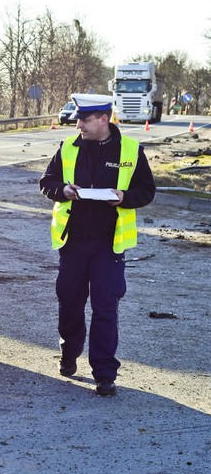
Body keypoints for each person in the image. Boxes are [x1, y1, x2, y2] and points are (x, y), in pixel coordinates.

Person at [39, 93, 155, 396]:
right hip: (73, 242)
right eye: (78, 119)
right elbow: (46, 182)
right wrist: (62, 190)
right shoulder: (67, 146)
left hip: (109, 246)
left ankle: (105, 374)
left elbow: (147, 191)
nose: (79, 124)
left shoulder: (130, 149)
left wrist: (124, 198)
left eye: (85, 120)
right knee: (70, 303)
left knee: (106, 308)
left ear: (104, 120)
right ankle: (69, 353)